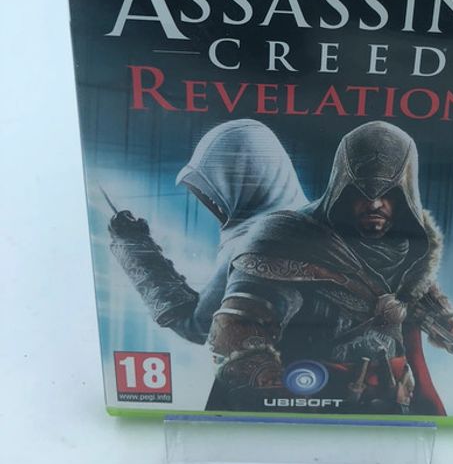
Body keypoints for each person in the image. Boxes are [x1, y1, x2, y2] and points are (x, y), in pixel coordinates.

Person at [206, 120, 453, 416]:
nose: (374, 204)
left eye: (388, 193)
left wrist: (448, 322)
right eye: (361, 192)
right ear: (341, 188)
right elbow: (237, 324)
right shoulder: (288, 238)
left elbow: (418, 294)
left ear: (405, 196)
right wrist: (266, 379)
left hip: (391, 400)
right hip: (305, 397)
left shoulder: (408, 248)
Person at [107, 119, 307, 345]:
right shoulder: (312, 222)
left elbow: (198, 327)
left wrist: (135, 247)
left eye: (220, 184)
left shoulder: (249, 246)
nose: (212, 201)